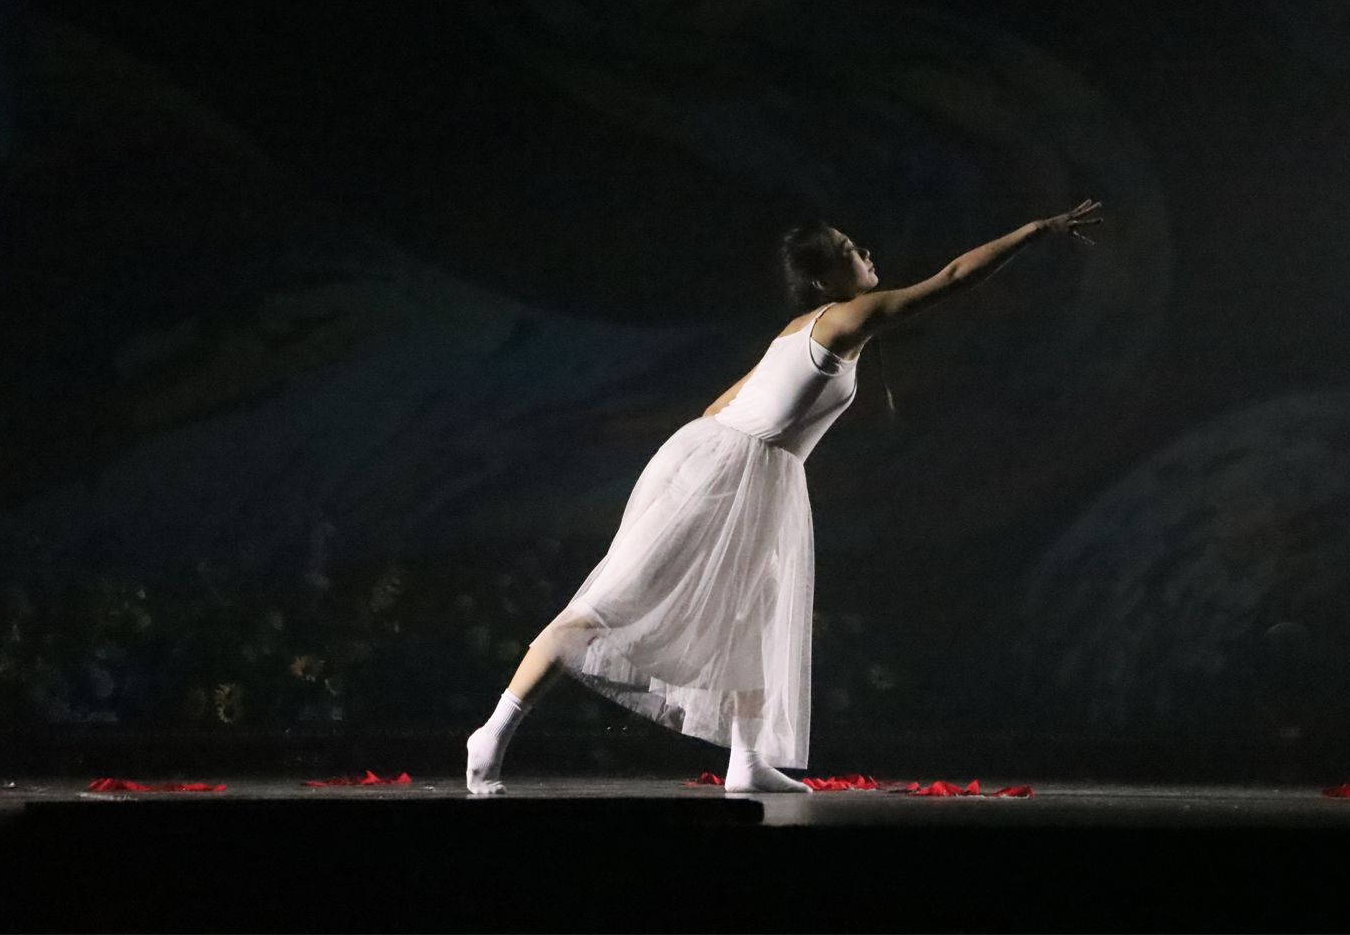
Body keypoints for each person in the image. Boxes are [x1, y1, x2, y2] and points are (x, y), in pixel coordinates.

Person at [466, 200, 1105, 794]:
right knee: (612, 600)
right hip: (732, 468)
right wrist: (1035, 232)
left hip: (738, 464)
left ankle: (745, 759)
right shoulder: (848, 317)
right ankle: (492, 732)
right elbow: (953, 279)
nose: (866, 253)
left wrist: (722, 462)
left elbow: (722, 404)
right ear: (826, 279)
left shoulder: (800, 328)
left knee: (754, 610)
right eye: (849, 250)